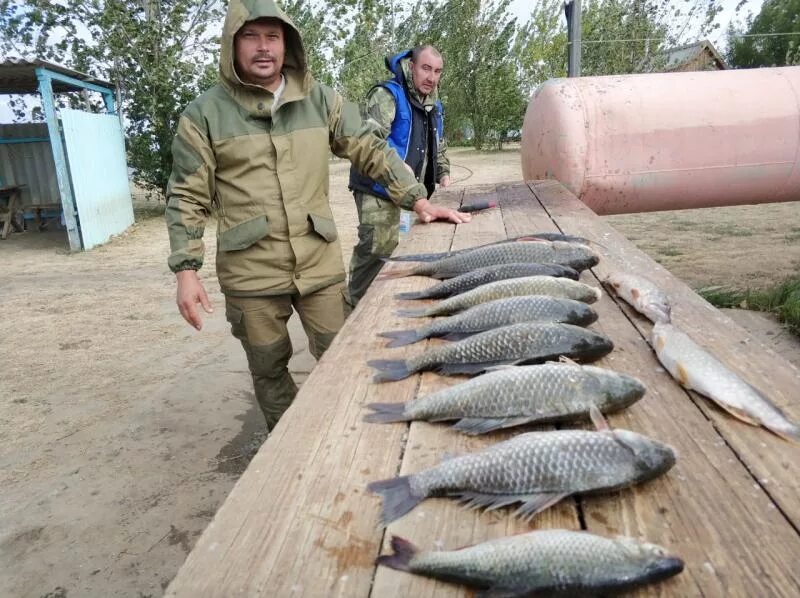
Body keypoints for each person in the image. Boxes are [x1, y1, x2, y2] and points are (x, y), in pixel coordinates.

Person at [165, 0, 471, 431]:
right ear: (232, 45)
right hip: (251, 272)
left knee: (343, 354)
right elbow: (186, 194)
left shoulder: (320, 98)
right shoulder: (203, 115)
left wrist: (417, 200)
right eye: (250, 36)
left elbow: (369, 148)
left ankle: (352, 435)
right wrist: (186, 269)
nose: (263, 47)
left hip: (317, 260)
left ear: (287, 42)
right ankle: (290, 447)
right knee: (269, 369)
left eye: (272, 36)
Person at [346, 45, 452, 309]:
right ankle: (353, 307)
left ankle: (385, 304)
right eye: (426, 68)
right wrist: (398, 165)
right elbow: (369, 142)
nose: (432, 77)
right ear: (411, 66)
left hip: (410, 194)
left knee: (403, 249)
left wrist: (444, 172)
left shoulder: (433, 105)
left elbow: (439, 144)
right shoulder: (386, 95)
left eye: (437, 71)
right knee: (375, 251)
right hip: (377, 188)